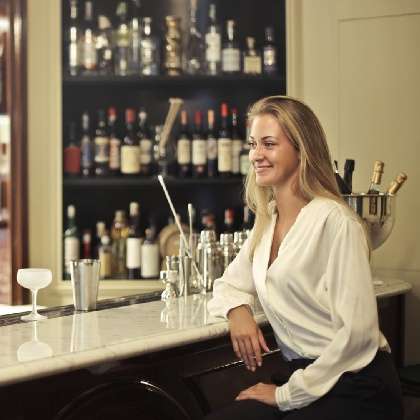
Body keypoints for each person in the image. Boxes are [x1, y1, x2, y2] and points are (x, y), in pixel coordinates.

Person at [206, 96, 403, 420]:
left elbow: (358, 336)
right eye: (253, 144)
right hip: (304, 377)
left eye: (269, 144)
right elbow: (228, 284)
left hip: (355, 384)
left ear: (302, 150)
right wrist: (237, 311)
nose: (256, 154)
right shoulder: (267, 221)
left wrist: (285, 395)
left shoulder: (336, 222)